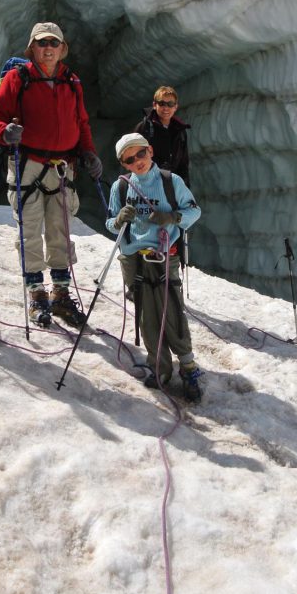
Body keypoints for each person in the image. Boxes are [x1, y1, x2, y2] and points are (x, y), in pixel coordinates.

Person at [0, 21, 102, 328]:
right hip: (29, 165)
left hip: (63, 168)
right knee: (30, 230)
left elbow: (82, 122)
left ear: (62, 49)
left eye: (53, 43)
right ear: (32, 48)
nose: (47, 48)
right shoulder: (17, 78)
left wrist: (88, 153)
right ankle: (36, 295)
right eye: (42, 43)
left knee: (60, 230)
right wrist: (3, 131)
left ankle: (60, 295)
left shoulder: (72, 82)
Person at [106, 133, 203, 400]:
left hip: (164, 256)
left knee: (171, 310)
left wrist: (172, 217)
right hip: (134, 259)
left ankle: (187, 366)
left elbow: (194, 211)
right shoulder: (122, 187)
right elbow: (109, 222)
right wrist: (118, 220)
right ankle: (158, 366)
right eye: (130, 159)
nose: (137, 161)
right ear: (124, 164)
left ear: (150, 151)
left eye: (140, 154)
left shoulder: (171, 182)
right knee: (147, 315)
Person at [134, 86, 191, 185]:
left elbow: (183, 164)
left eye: (170, 104)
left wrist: (185, 190)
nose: (166, 108)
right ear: (154, 105)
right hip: (149, 185)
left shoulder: (180, 131)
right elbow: (133, 158)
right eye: (161, 103)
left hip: (173, 186)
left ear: (175, 107)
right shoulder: (144, 128)